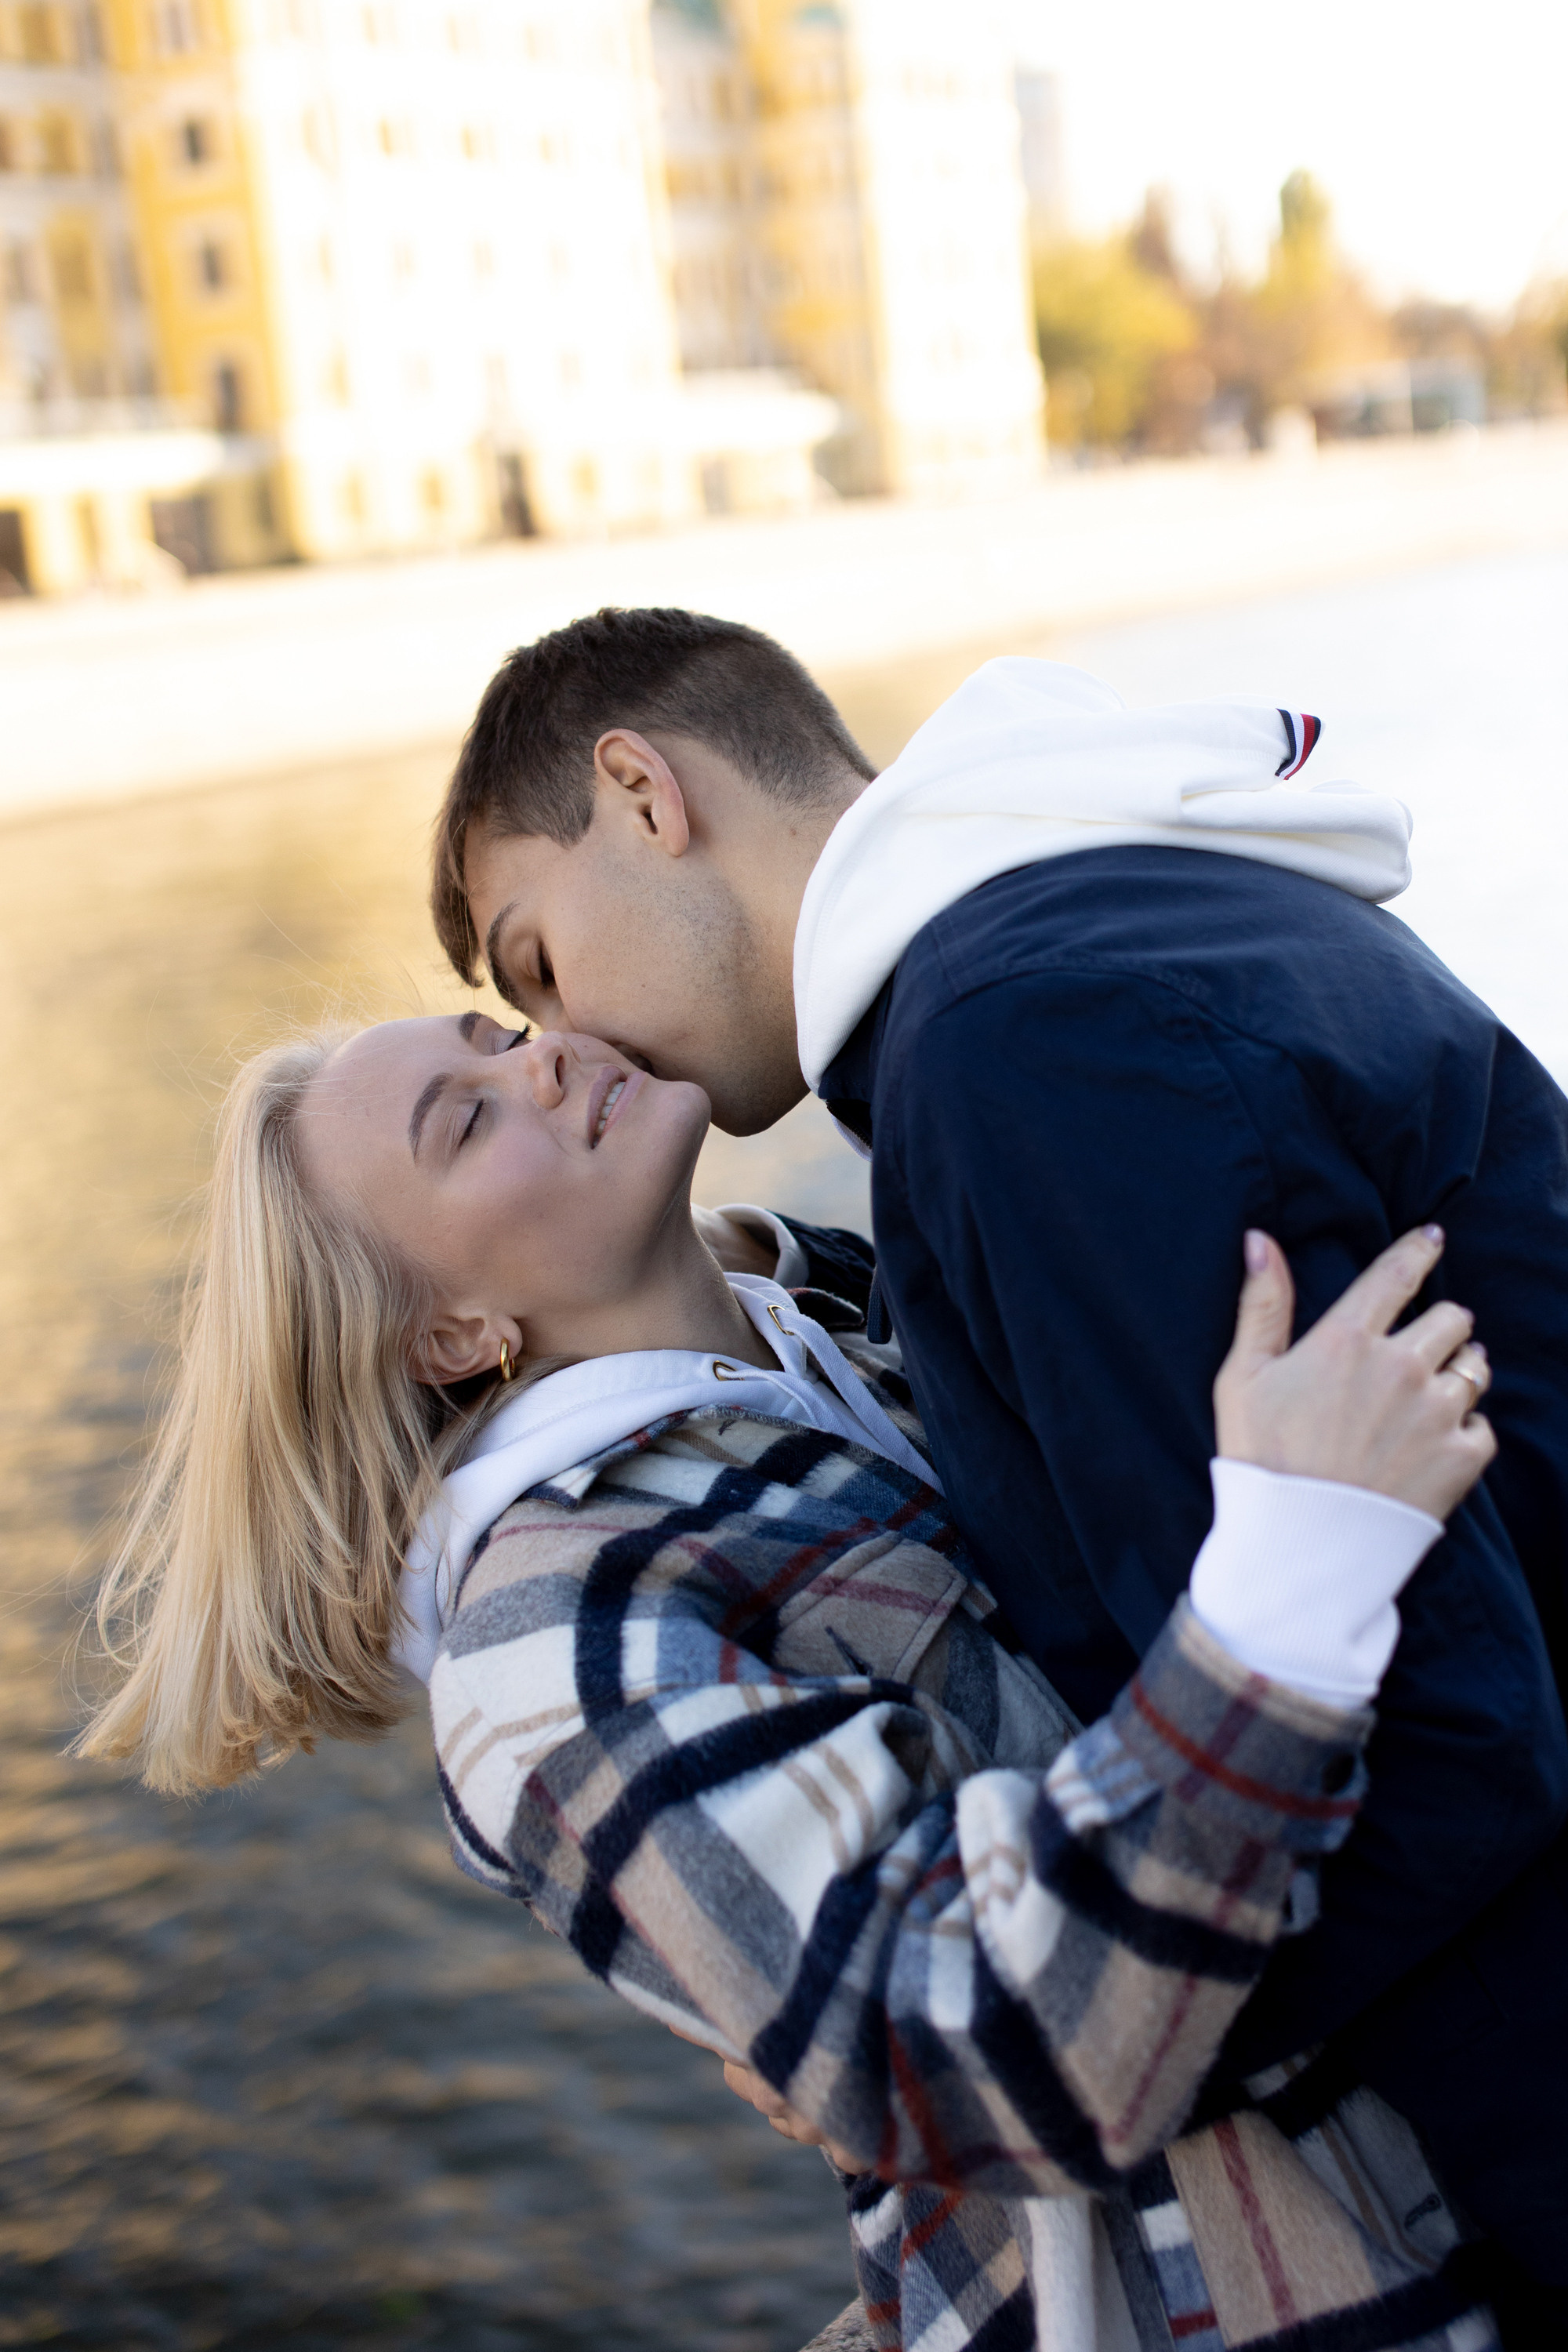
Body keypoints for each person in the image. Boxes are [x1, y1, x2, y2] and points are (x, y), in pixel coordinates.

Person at [426, 610, 1568, 2300]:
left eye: (532, 962)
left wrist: (968, 2088)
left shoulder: (1019, 1045)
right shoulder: (1098, 906)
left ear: (641, 791)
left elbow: (1433, 1739)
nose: (569, 1040)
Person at [82, 1011, 1503, 2350]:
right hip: (1252, 2297)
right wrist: (1282, 1593)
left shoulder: (857, 1324)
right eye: (468, 1121)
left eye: (504, 1034)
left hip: (1466, 2126)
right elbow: (969, 2041)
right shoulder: (552, 1634)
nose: (548, 1060)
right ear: (453, 1335)